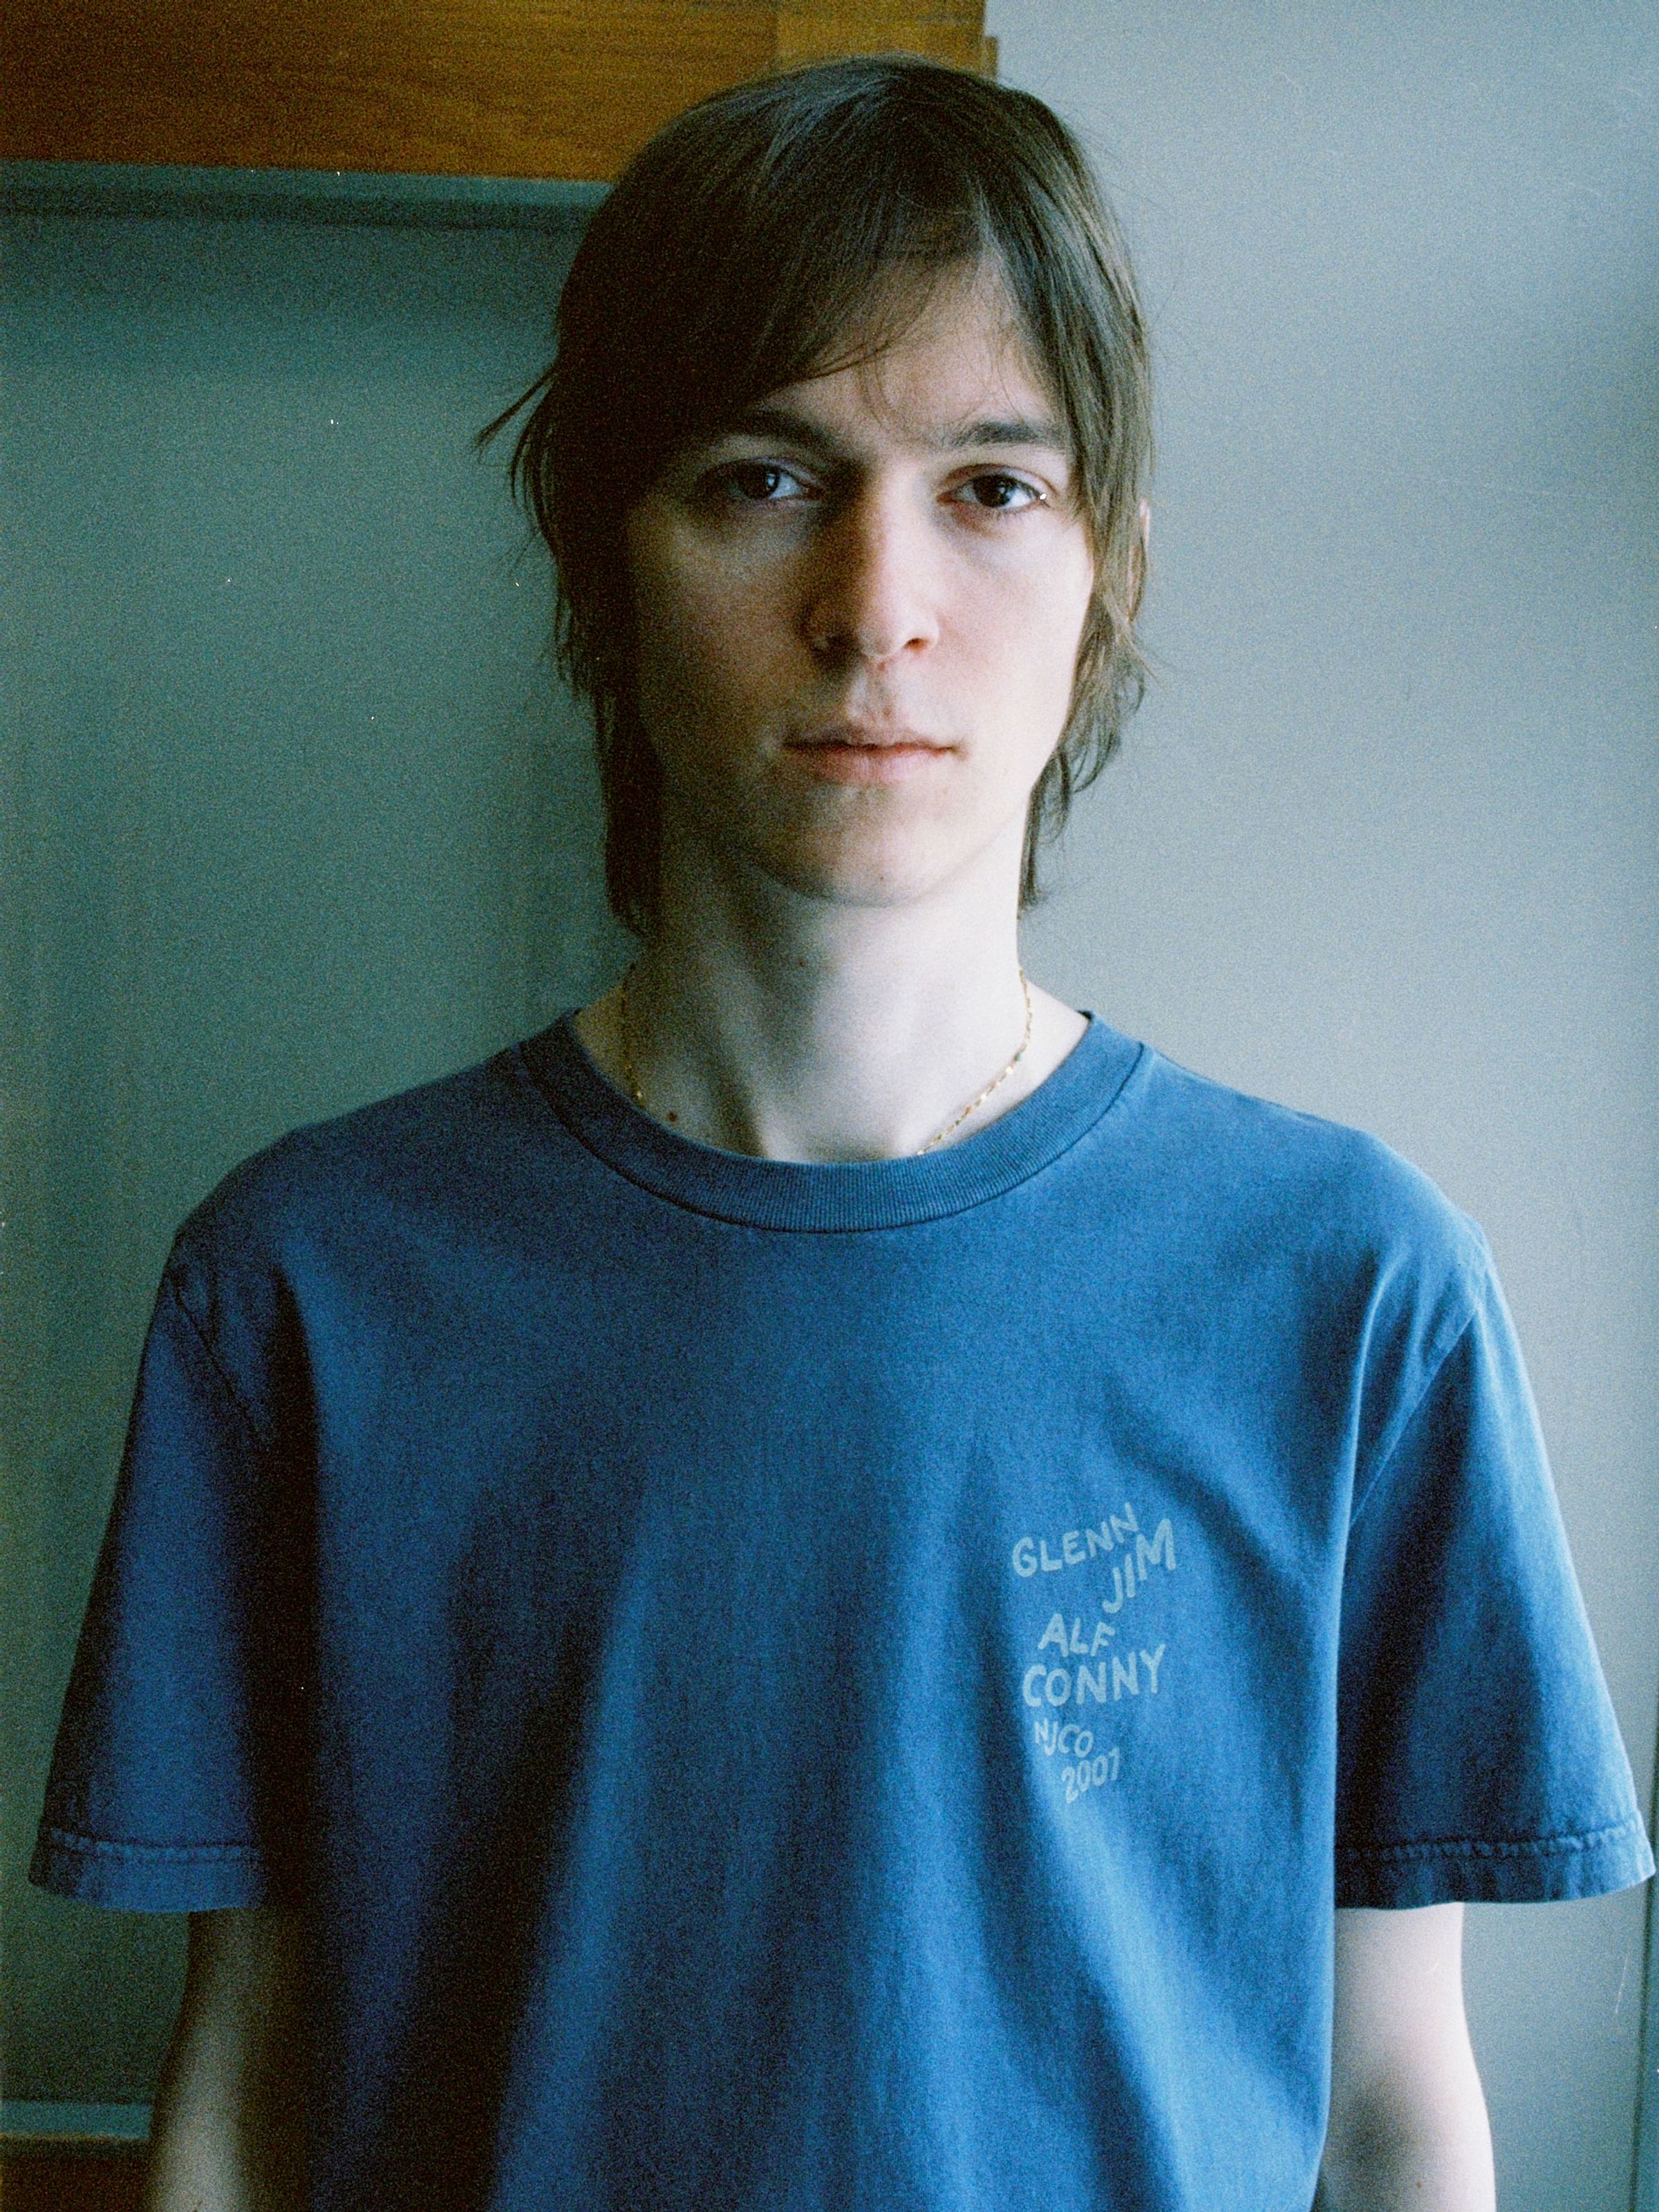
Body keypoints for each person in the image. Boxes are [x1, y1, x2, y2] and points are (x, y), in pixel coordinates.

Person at [32, 54, 1651, 2212]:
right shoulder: (310, 1283)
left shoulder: (1353, 1289)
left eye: (992, 486)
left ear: (1109, 574)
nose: (877, 605)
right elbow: (246, 2073)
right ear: (600, 561)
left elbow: (1392, 2106)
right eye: (765, 477)